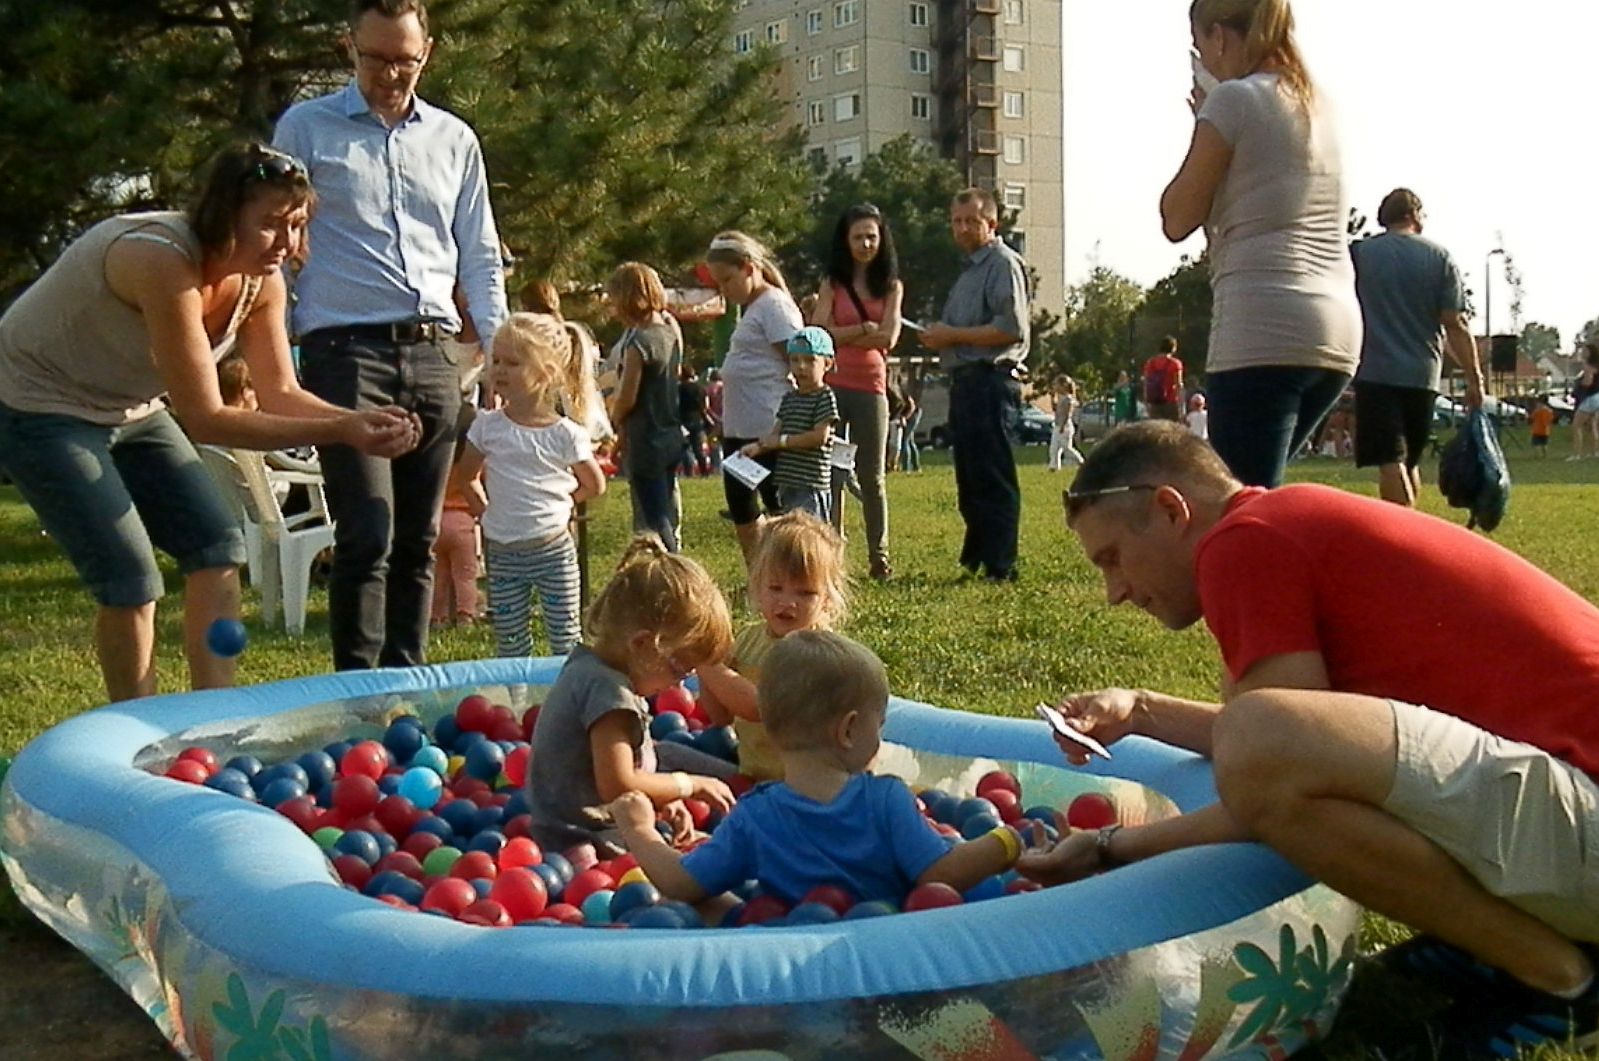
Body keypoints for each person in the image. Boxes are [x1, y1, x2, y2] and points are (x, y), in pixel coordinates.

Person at [1029, 421, 1599, 1057]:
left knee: (1260, 738)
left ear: (1170, 509)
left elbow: (1267, 767)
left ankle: (1561, 978)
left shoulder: (1242, 543)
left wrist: (1111, 846)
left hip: (1586, 817)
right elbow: (1307, 743)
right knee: (1264, 735)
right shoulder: (1282, 523)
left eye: (1111, 558)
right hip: (1572, 802)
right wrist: (1139, 709)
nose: (1114, 592)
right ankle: (1508, 942)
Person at [0, 142, 417, 703]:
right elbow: (207, 418)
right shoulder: (158, 259)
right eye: (270, 224)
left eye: (296, 225)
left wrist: (358, 419)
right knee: (130, 579)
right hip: (38, 403)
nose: (288, 243)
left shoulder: (259, 279)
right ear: (223, 215)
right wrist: (341, 431)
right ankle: (135, 734)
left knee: (220, 546)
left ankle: (214, 715)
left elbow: (282, 392)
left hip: (131, 407)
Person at [273, 0, 508, 671]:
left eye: (403, 60)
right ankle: (355, 692)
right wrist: (273, 353)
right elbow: (277, 242)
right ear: (349, 47)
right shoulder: (306, 129)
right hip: (345, 353)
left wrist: (500, 348)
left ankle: (407, 685)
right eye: (375, 59)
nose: (389, 74)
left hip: (435, 351)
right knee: (365, 532)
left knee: (419, 537)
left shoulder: (455, 140)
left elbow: (480, 255)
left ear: (426, 52)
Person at [609, 631, 1036, 909]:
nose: (880, 736)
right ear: (850, 730)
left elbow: (684, 884)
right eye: (879, 724)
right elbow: (940, 875)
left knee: (711, 909)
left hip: (797, 977)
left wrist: (639, 829)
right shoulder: (885, 799)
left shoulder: (755, 815)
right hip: (887, 967)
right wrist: (1007, 842)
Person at [1161, 0, 1360, 488]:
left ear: (1221, 37)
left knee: (1230, 507)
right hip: (1336, 334)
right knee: (1256, 493)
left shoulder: (1234, 100)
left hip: (1262, 324)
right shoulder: (1320, 104)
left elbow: (1177, 217)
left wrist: (1205, 119)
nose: (1204, 60)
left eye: (1201, 46)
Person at [524, 535, 737, 857]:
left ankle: (751, 789)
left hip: (569, 826)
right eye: (681, 668)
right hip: (582, 839)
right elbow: (617, 784)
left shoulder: (588, 663)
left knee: (673, 756)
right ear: (642, 645)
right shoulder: (609, 694)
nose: (680, 684)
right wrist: (688, 785)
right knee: (704, 864)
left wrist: (663, 799)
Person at [448, 314, 605, 658]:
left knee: (565, 636)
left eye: (513, 363)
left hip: (553, 549)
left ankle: (567, 701)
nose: (500, 370)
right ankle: (517, 703)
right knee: (511, 639)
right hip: (504, 551)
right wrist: (486, 514)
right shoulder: (487, 427)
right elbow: (467, 476)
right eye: (497, 361)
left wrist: (561, 504)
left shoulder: (564, 433)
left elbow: (594, 484)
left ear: (546, 372)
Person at [918, 188, 1031, 583]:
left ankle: (1002, 565)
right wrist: (941, 337)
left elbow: (1010, 328)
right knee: (970, 476)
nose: (962, 228)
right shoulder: (968, 272)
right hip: (965, 382)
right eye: (956, 221)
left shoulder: (1002, 264)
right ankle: (980, 555)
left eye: (971, 221)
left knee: (991, 475)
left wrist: (952, 336)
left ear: (991, 224)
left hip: (990, 381)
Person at [1350, 188, 1483, 506]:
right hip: (1423, 375)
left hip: (1375, 371)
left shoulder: (1359, 254)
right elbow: (1455, 323)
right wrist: (1474, 378)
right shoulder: (1440, 258)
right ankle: (1415, 532)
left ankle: (1405, 538)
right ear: (1413, 214)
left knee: (1389, 460)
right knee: (1409, 461)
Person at [697, 512, 849, 782]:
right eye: (776, 588)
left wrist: (706, 663)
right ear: (757, 585)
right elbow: (720, 716)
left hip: (802, 788)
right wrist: (709, 661)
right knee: (667, 754)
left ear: (827, 598)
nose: (788, 602)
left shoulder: (818, 653)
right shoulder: (748, 639)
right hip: (752, 776)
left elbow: (759, 709)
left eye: (805, 593)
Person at [810, 203, 903, 581]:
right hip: (833, 386)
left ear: (882, 240)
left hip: (872, 387)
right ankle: (832, 554)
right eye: (858, 236)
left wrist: (846, 332)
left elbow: (890, 336)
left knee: (872, 476)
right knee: (831, 473)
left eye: (872, 236)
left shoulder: (892, 285)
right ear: (845, 241)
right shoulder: (832, 282)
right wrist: (864, 329)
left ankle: (879, 557)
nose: (865, 243)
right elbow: (818, 333)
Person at [703, 232, 805, 563]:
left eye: (728, 279)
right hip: (740, 429)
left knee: (779, 510)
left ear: (749, 268)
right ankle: (760, 575)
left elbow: (801, 365)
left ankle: (785, 572)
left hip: (766, 428)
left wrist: (789, 426)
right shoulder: (752, 309)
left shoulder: (774, 306)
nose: (724, 290)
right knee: (742, 506)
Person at [606, 262, 684, 552]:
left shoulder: (638, 341)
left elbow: (628, 395)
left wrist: (614, 420)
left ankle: (671, 570)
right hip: (669, 433)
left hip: (645, 438)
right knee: (665, 506)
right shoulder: (668, 332)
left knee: (652, 520)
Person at [740, 327, 838, 521]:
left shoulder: (824, 397)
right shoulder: (789, 398)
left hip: (810, 484)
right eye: (795, 360)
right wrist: (757, 447)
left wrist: (782, 442)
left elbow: (820, 436)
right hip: (787, 483)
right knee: (791, 536)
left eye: (810, 361)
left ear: (827, 364)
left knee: (809, 537)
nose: (801, 367)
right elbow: (776, 434)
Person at [431, 405, 481, 627]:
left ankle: (437, 616)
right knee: (465, 575)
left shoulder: (436, 463)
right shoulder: (472, 465)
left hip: (435, 522)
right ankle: (465, 614)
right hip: (462, 523)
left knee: (438, 575)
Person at [678, 362, 710, 476]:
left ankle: (689, 472)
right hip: (698, 421)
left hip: (683, 421)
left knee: (685, 448)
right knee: (699, 449)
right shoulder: (700, 388)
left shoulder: (678, 389)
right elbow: (706, 406)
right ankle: (704, 472)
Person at [1142, 337, 1185, 422]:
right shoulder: (1175, 363)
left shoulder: (1150, 363)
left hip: (1155, 403)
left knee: (1156, 432)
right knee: (1172, 432)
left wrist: (1146, 402)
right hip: (1171, 403)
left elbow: (1146, 383)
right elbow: (1179, 385)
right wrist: (1181, 407)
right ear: (1173, 348)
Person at [1568, 344, 1599, 461]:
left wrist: (1578, 385)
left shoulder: (1588, 366)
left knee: (1577, 425)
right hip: (1598, 396)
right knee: (1593, 426)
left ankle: (1577, 454)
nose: (1582, 352)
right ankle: (1595, 452)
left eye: (1585, 351)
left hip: (1589, 397)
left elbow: (1588, 382)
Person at [1048, 377, 1084, 471]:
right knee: (1054, 448)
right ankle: (1054, 466)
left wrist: (1063, 426)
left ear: (1063, 386)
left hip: (1065, 426)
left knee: (1067, 448)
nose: (1055, 387)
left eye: (1056, 385)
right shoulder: (1060, 398)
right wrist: (1052, 398)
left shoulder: (1068, 399)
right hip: (1058, 425)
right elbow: (1055, 409)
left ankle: (1081, 461)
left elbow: (1067, 414)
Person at [899, 388, 923, 473]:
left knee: (905, 440)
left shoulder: (900, 389)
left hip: (913, 413)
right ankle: (916, 466)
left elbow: (911, 405)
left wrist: (904, 418)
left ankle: (906, 467)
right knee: (910, 441)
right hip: (909, 413)